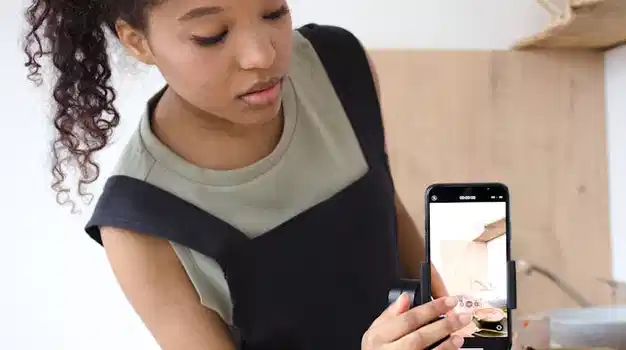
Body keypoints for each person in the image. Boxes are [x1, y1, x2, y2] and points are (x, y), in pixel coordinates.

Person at [21, 0, 471, 349]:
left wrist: (460, 323)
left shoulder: (340, 65)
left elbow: (391, 224)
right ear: (138, 42)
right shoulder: (141, 220)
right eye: (212, 35)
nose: (263, 55)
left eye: (274, 11)